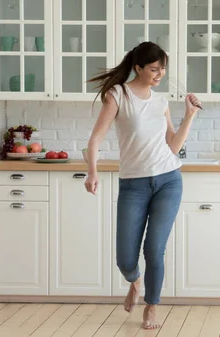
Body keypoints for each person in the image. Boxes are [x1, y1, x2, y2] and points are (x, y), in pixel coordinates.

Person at [83, 41, 201, 330]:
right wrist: (92, 172)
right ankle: (135, 282)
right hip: (133, 185)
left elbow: (173, 147)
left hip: (168, 181)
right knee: (125, 259)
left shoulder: (160, 102)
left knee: (154, 249)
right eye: (154, 69)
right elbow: (96, 138)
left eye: (163, 68)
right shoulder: (118, 94)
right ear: (137, 67)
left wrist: (189, 116)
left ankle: (152, 306)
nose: (160, 74)